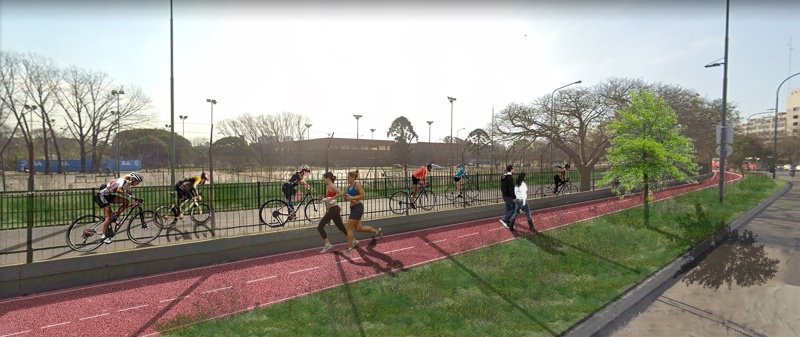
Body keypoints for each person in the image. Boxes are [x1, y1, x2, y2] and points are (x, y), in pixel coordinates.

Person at [91, 172, 144, 244]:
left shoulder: (128, 185)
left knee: (126, 202)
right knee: (109, 217)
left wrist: (137, 199)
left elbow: (130, 194)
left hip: (107, 195)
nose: (138, 184)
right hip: (101, 195)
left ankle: (115, 216)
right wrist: (132, 197)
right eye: (138, 182)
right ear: (133, 180)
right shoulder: (123, 181)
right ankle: (103, 237)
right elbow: (119, 190)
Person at [343, 169, 382, 254]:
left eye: (348, 177)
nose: (347, 179)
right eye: (347, 177)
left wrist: (351, 198)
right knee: (358, 228)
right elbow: (345, 195)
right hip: (353, 209)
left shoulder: (357, 185)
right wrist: (345, 197)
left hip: (358, 208)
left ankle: (350, 248)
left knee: (348, 228)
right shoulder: (348, 187)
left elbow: (362, 195)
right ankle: (376, 231)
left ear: (353, 177)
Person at [317, 172, 349, 253]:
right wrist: (323, 199)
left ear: (328, 178)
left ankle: (327, 244)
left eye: (324, 178)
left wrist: (330, 199)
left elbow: (341, 193)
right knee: (341, 227)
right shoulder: (329, 186)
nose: (323, 180)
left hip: (334, 209)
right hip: (333, 209)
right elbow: (329, 198)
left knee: (320, 227)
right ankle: (353, 240)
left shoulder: (332, 186)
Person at [499, 164, 516, 231]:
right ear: (511, 169)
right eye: (513, 169)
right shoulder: (510, 177)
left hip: (505, 195)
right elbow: (511, 188)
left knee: (508, 208)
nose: (514, 170)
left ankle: (507, 221)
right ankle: (505, 219)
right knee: (514, 208)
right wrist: (514, 197)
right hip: (509, 196)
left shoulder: (504, 176)